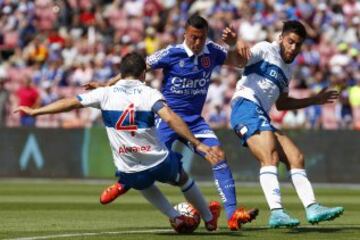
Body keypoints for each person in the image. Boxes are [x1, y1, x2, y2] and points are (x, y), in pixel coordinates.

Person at [15, 52, 222, 233]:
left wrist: (36, 111)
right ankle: (208, 218)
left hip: (129, 167)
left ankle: (173, 215)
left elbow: (70, 103)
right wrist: (197, 143)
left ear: (121, 74)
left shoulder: (105, 93)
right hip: (158, 160)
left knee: (141, 181)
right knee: (182, 178)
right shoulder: (149, 93)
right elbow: (169, 118)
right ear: (143, 74)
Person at [93, 15, 258, 231]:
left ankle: (232, 214)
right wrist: (107, 84)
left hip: (195, 121)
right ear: (185, 35)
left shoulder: (213, 51)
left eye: (201, 38)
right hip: (168, 118)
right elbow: (138, 67)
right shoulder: (171, 53)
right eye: (193, 37)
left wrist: (235, 44)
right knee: (150, 159)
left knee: (218, 155)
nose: (197, 42)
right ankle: (123, 183)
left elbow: (239, 63)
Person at [230, 20, 344, 228]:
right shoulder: (265, 49)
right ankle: (277, 212)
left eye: (298, 44)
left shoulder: (288, 70)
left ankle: (312, 207)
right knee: (270, 156)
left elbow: (281, 104)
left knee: (296, 157)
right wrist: (235, 43)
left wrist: (314, 100)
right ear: (281, 38)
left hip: (260, 114)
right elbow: (240, 60)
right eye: (290, 41)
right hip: (245, 107)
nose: (293, 48)